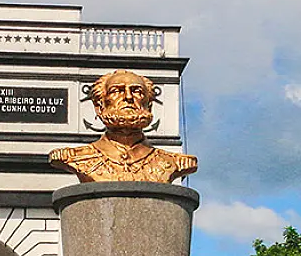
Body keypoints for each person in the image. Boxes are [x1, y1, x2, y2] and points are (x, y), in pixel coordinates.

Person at [49, 70, 198, 183]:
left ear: (149, 105)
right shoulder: (76, 158)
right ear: (99, 106)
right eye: (116, 91)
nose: (128, 97)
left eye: (137, 91)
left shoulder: (174, 163)